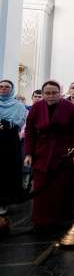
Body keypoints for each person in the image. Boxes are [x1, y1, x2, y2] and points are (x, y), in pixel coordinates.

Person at [24, 80, 74, 230]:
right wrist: (28, 153)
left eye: (54, 93)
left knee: (61, 188)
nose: (51, 96)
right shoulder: (37, 107)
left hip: (64, 153)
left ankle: (62, 219)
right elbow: (30, 131)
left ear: (60, 93)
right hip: (42, 153)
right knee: (41, 188)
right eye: (47, 93)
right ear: (43, 94)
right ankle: (41, 220)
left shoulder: (70, 107)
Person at [0, 80, 27, 216]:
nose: (3, 89)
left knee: (6, 171)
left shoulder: (18, 105)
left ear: (12, 89)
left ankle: (3, 202)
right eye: (1, 86)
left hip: (9, 142)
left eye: (7, 87)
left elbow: (20, 121)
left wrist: (7, 123)